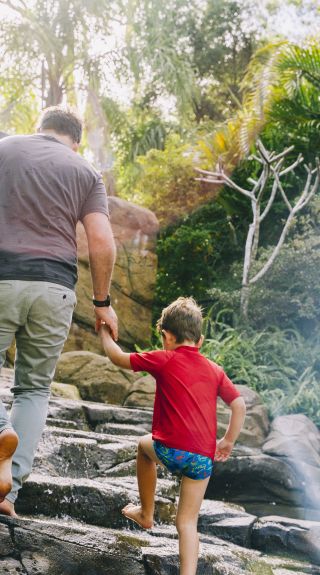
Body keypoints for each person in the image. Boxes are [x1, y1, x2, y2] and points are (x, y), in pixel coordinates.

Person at [0, 106, 118, 516]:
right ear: (76, 139)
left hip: (3, 275)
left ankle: (1, 429)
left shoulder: (5, 149)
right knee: (33, 389)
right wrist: (102, 303)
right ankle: (8, 492)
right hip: (56, 288)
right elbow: (102, 241)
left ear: (40, 128)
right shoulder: (86, 172)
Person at [99, 296, 246, 575]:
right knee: (187, 522)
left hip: (170, 450)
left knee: (144, 447)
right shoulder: (215, 371)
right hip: (203, 459)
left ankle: (145, 513)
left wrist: (104, 330)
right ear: (199, 340)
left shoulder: (164, 359)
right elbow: (239, 405)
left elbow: (117, 357)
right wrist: (227, 441)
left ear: (166, 336)